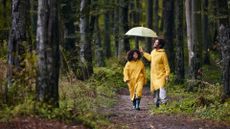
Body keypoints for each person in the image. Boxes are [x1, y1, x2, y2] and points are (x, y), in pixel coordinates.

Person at [140, 38, 170, 107]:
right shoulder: (153, 52)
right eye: (155, 42)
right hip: (154, 75)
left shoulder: (163, 54)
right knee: (155, 90)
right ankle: (157, 103)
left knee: (162, 88)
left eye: (156, 43)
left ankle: (164, 103)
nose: (154, 43)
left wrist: (167, 75)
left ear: (160, 45)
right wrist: (143, 53)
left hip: (161, 75)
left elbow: (166, 65)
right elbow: (150, 58)